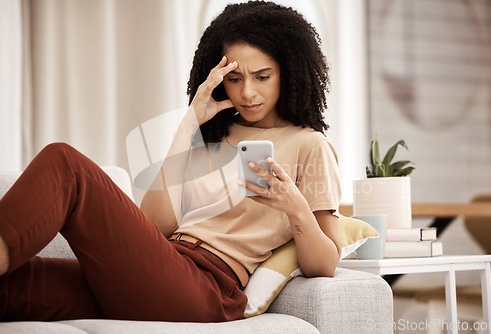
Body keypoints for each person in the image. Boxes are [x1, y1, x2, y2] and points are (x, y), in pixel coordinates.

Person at [0, 1, 341, 323]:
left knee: (66, 164)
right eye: (235, 79)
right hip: (161, 270)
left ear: (289, 73)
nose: (247, 92)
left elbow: (325, 264)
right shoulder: (211, 137)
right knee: (13, 286)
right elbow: (154, 224)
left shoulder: (309, 145)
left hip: (204, 286)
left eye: (262, 77)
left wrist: (296, 208)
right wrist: (190, 122)